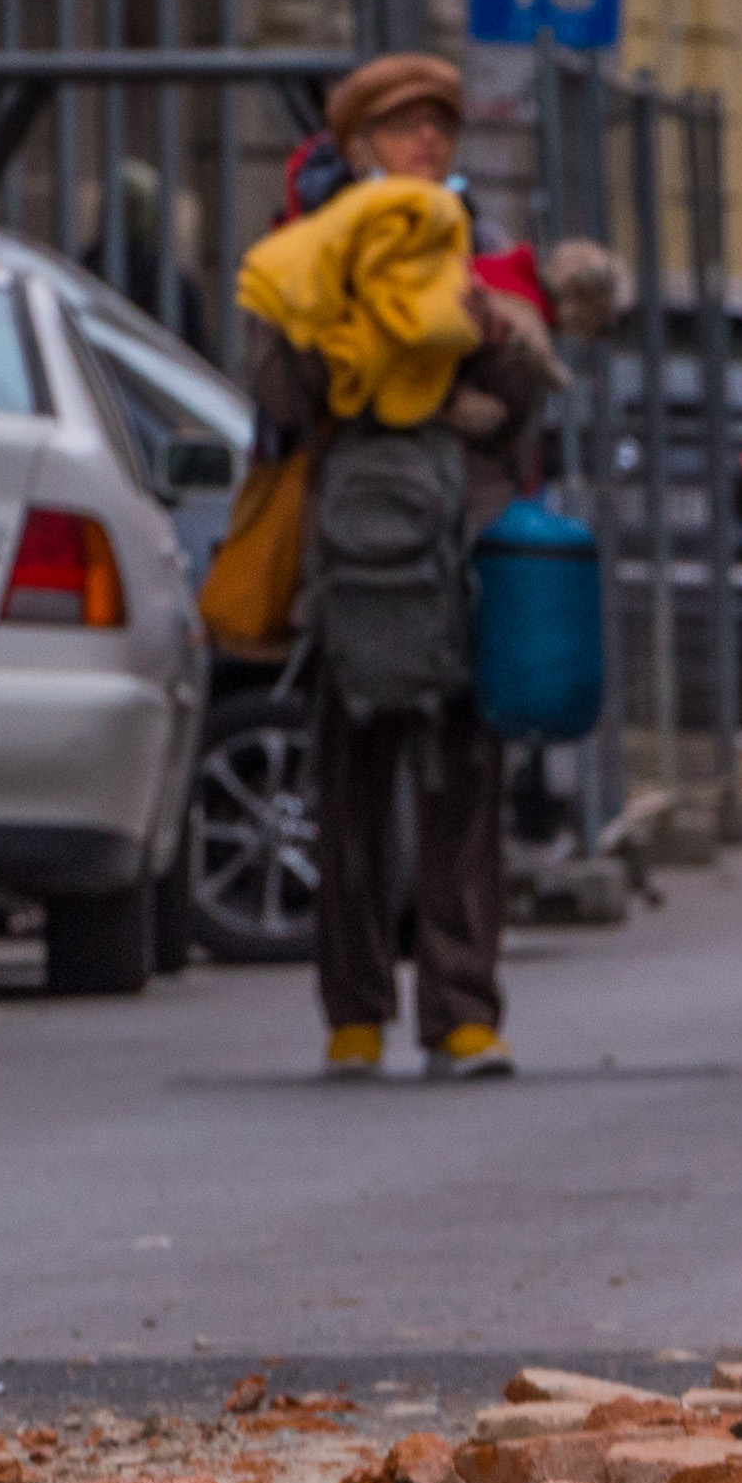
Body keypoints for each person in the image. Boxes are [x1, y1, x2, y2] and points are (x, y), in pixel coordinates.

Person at [233, 53, 559, 1080]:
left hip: (459, 546)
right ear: (357, 143)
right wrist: (340, 334)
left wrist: (481, 332)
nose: (428, 141)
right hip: (354, 549)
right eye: (407, 125)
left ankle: (462, 1013)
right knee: (350, 786)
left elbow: (526, 396)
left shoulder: (475, 245)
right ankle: (356, 1012)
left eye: (440, 125)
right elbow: (278, 398)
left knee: (463, 779)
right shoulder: (308, 250)